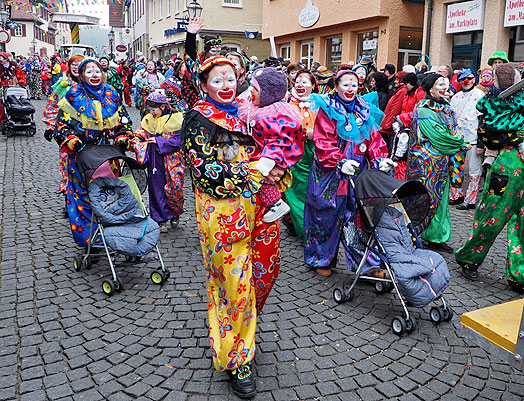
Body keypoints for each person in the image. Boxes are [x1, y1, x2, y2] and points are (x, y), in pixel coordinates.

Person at [182, 56, 283, 399]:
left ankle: (240, 329)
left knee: (265, 273)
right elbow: (206, 174)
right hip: (223, 214)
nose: (225, 85)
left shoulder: (242, 113)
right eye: (217, 80)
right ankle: (238, 358)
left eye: (229, 78)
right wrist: (257, 172)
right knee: (234, 286)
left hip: (256, 207)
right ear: (205, 84)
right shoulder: (198, 119)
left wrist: (271, 169)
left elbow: (260, 150)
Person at [304, 69, 393, 277]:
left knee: (358, 218)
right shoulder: (328, 109)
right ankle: (320, 258)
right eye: (345, 84)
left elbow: (373, 138)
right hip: (329, 175)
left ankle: (366, 265)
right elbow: (322, 141)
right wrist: (339, 161)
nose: (350, 89)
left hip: (357, 173)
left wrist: (380, 158)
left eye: (354, 84)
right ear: (336, 86)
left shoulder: (364, 109)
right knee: (325, 215)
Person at [456, 63, 524, 291]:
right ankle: (468, 258)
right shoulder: (495, 105)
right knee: (493, 216)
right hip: (506, 167)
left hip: (515, 168)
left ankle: (519, 274)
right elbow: (490, 132)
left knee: (522, 222)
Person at [53, 59, 133, 247]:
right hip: (82, 155)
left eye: (97, 71)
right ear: (80, 76)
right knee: (84, 196)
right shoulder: (73, 95)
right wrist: (71, 139)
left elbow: (123, 120)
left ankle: (116, 235)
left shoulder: (112, 94)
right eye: (89, 72)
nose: (94, 75)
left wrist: (123, 135)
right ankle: (91, 240)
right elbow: (62, 125)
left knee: (113, 193)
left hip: (109, 155)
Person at [405, 73, 466, 254]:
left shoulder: (445, 107)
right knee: (424, 200)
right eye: (440, 84)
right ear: (429, 87)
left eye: (445, 84)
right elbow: (439, 137)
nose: (444, 88)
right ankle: (412, 235)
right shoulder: (424, 109)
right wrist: (460, 143)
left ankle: (437, 237)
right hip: (425, 166)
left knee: (440, 202)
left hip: (441, 163)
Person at [238, 67, 304, 223]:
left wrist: (268, 160)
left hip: (275, 156)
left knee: (261, 179)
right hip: (267, 153)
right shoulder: (259, 108)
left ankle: (276, 203)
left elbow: (279, 139)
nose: (251, 91)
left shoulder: (273, 114)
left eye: (255, 88)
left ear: (268, 94)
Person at [130, 91, 184, 233]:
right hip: (155, 161)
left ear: (163, 107)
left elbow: (178, 140)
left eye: (154, 109)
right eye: (150, 110)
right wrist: (136, 141)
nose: (151, 112)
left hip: (173, 160)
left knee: (175, 187)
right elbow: (140, 135)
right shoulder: (149, 120)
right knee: (156, 189)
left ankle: (175, 213)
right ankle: (160, 219)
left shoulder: (176, 120)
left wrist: (159, 140)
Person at [284, 69, 318, 237]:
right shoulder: (287, 103)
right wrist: (304, 132)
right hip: (293, 153)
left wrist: (317, 132)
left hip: (315, 153)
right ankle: (303, 228)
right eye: (297, 81)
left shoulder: (320, 104)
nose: (299, 84)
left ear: (313, 86)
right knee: (295, 191)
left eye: (305, 81)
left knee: (312, 191)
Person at [449, 69, 485, 210]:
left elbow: (483, 121)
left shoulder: (480, 96)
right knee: (456, 169)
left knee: (474, 171)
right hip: (458, 141)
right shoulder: (455, 97)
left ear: (474, 79)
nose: (466, 81)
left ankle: (470, 200)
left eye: (470, 78)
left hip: (474, 140)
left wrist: (481, 143)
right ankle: (456, 195)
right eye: (463, 78)